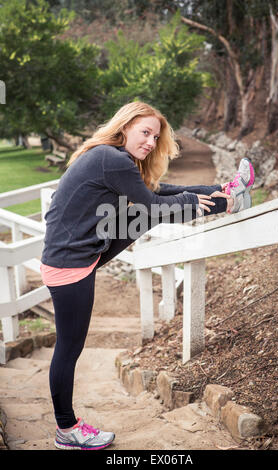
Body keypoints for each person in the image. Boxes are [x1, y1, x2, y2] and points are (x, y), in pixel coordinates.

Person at [40, 101, 255, 450]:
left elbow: (155, 192)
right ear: (124, 127)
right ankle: (66, 429)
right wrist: (194, 201)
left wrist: (207, 190)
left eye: (156, 137)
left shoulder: (111, 158)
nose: (151, 143)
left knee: (156, 210)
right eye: (145, 133)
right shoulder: (112, 159)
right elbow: (150, 204)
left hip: (80, 250)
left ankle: (229, 195)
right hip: (69, 263)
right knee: (68, 348)